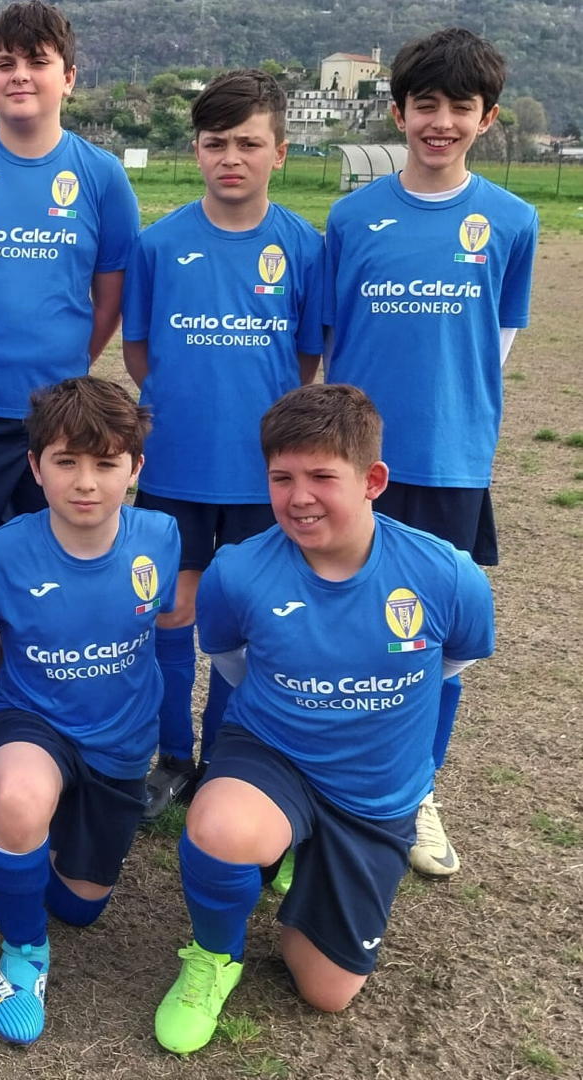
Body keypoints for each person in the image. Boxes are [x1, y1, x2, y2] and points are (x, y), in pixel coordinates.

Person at [152, 384, 494, 1053]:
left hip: (374, 792)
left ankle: (305, 861)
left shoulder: (447, 575)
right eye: (282, 478)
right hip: (274, 753)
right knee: (221, 828)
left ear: (373, 481)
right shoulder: (238, 572)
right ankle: (214, 958)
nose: (299, 497)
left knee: (326, 992)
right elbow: (232, 661)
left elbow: (451, 667)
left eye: (322, 477)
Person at [0, 1, 139, 805]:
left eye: (36, 61)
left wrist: (62, 368)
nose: (19, 75)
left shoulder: (102, 177)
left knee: (49, 574)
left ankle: (46, 725)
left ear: (67, 77)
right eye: (4, 63)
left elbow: (107, 297)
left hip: (54, 420)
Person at [323, 28, 536, 877]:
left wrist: (449, 414)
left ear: (487, 119)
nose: (440, 121)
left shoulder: (512, 221)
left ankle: (415, 790)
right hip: (356, 461)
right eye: (425, 104)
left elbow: (499, 343)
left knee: (430, 637)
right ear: (399, 111)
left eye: (460, 107)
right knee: (345, 623)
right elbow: (333, 339)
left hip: (450, 460)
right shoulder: (352, 217)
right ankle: (331, 780)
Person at [121, 69, 324, 821]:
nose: (230, 158)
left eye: (248, 143)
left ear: (280, 151)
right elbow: (139, 352)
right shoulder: (159, 243)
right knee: (172, 612)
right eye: (215, 143)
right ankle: (174, 757)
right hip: (177, 466)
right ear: (197, 150)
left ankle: (230, 757)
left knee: (251, 623)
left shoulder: (305, 247)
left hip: (263, 477)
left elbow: (304, 362)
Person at [0, 376, 179, 1044]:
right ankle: (23, 954)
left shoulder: (160, 537)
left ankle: (2, 802)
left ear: (135, 468)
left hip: (120, 741)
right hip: (29, 717)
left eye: (106, 464)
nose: (86, 482)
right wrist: (15, 678)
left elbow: (161, 629)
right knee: (21, 800)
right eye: (66, 462)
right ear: (36, 467)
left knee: (79, 907)